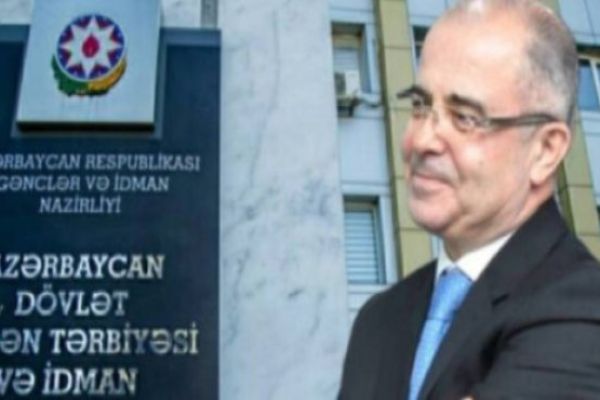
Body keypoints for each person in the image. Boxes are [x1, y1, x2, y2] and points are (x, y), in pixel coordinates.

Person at [338, 0, 600, 399]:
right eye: (421, 106)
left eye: (465, 117)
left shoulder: (583, 307)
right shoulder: (379, 319)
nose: (422, 141)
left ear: (545, 150)